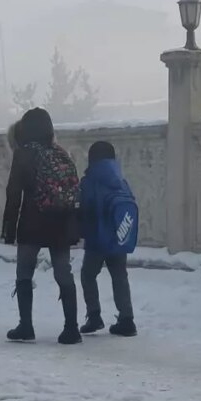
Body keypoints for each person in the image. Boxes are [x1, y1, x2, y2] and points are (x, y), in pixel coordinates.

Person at [1, 107, 82, 345]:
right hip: (61, 222)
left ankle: (26, 326)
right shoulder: (60, 152)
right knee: (63, 273)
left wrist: (9, 229)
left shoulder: (24, 154)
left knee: (24, 273)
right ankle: (71, 329)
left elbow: (14, 192)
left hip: (33, 222)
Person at [78, 140, 138, 337]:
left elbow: (85, 209)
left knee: (88, 275)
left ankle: (94, 316)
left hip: (97, 239)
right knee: (120, 276)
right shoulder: (121, 180)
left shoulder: (90, 180)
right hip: (119, 237)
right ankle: (127, 319)